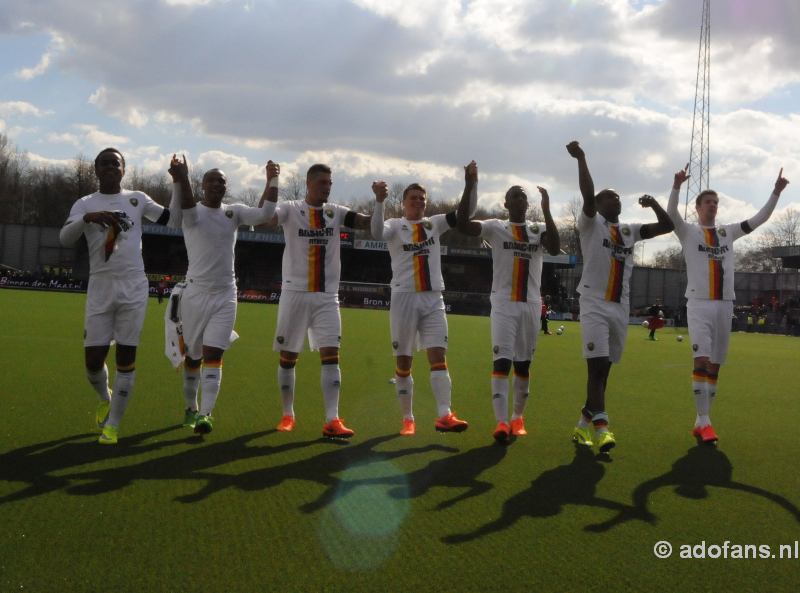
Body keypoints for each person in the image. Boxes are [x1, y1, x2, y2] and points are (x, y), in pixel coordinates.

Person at [668, 165, 789, 443]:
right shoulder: (688, 232)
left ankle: (703, 420)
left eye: (716, 202)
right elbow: (671, 214)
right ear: (698, 207)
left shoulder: (727, 233)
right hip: (699, 303)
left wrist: (775, 193)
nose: (713, 206)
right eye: (708, 202)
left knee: (716, 365)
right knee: (701, 359)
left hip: (725, 304)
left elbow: (759, 219)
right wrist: (676, 186)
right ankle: (704, 420)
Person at [566, 141, 674, 453]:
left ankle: (582, 426)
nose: (617, 200)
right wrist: (583, 158)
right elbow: (587, 195)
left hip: (620, 307)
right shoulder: (590, 224)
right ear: (598, 205)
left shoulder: (628, 231)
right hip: (594, 304)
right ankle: (602, 428)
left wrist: (654, 203)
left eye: (618, 197)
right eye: (609, 197)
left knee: (604, 371)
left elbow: (666, 226)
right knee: (596, 366)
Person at [59, 148, 172, 445]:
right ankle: (105, 397)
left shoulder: (137, 199)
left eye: (116, 163)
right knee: (93, 362)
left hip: (133, 285)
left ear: (124, 169)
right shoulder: (85, 203)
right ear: (96, 169)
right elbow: (65, 238)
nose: (110, 167)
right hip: (101, 285)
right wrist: (86, 219)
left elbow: (169, 220)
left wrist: (178, 182)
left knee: (126, 355)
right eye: (104, 163)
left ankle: (114, 425)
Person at [167, 155, 278, 435]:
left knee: (213, 354)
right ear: (202, 186)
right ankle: (191, 407)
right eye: (212, 180)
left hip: (226, 293)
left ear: (226, 188)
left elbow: (265, 214)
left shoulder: (234, 212)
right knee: (193, 357)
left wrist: (272, 180)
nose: (218, 184)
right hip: (194, 293)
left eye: (222, 181)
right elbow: (187, 208)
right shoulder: (191, 213)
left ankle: (206, 414)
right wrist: (182, 176)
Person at [266, 164, 373, 439]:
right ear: (309, 183)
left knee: (331, 356)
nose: (328, 187)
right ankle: (287, 415)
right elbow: (265, 219)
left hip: (327, 296)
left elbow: (365, 222)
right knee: (289, 357)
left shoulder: (334, 212)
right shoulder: (290, 208)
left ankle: (332, 419)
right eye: (323, 182)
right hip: (296, 293)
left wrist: (381, 202)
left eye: (330, 183)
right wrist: (272, 180)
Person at [456, 161, 560, 442]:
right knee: (502, 361)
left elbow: (554, 247)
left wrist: (548, 209)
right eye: (514, 194)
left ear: (528, 204)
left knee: (523, 365)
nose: (520, 198)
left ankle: (517, 417)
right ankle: (501, 422)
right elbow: (464, 224)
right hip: (503, 303)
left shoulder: (538, 230)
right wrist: (470, 184)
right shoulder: (495, 227)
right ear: (505, 203)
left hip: (529, 304)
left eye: (523, 195)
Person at [370, 176, 470, 436]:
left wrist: (471, 183)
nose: (418, 202)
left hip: (433, 297)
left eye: (422, 199)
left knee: (438, 357)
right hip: (404, 297)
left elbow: (465, 213)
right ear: (403, 203)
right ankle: (407, 418)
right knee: (404, 362)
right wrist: (379, 202)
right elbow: (376, 233)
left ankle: (445, 415)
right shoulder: (394, 224)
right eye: (413, 198)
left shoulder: (433, 224)